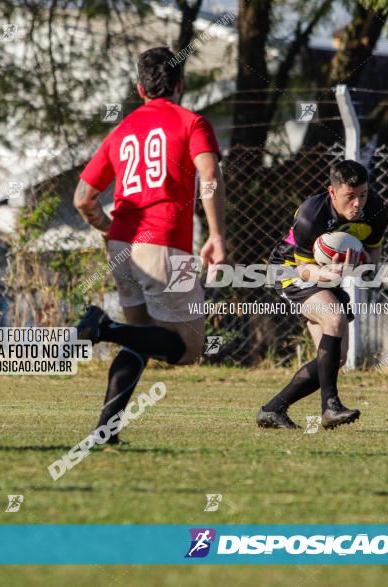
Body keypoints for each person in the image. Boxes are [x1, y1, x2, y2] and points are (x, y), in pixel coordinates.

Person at [73, 46, 225, 446]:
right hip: (164, 247)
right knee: (188, 348)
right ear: (181, 84)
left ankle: (106, 429)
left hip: (123, 246)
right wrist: (215, 234)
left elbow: (83, 198)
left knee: (137, 338)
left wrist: (110, 230)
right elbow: (208, 175)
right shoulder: (192, 122)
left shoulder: (121, 131)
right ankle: (104, 328)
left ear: (140, 88)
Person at [257, 160, 387, 429]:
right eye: (349, 197)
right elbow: (305, 271)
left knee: (336, 357)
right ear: (332, 192)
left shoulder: (374, 209)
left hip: (330, 273)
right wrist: (336, 275)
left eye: (362, 195)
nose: (357, 204)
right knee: (335, 319)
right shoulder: (311, 214)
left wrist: (359, 269)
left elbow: (373, 262)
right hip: (291, 269)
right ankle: (330, 407)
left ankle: (273, 410)